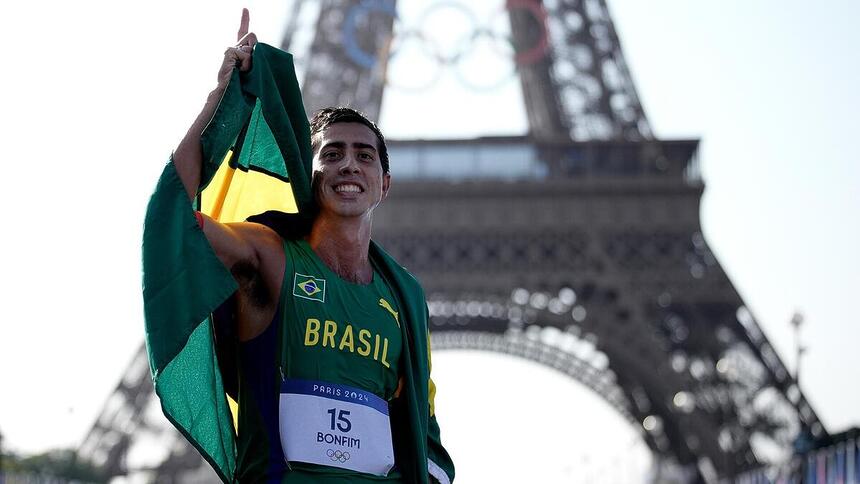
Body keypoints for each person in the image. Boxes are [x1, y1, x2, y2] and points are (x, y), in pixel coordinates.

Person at [167, 8, 455, 483]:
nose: (348, 165)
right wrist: (221, 100)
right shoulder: (270, 256)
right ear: (310, 174)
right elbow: (178, 220)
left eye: (364, 156)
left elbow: (420, 423)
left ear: (383, 184)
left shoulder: (406, 298)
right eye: (332, 153)